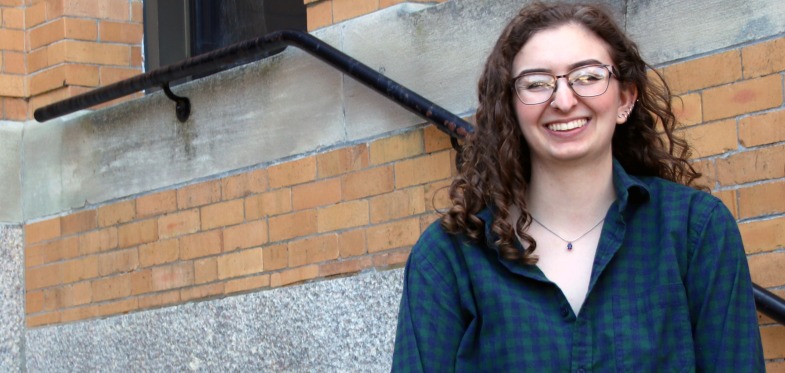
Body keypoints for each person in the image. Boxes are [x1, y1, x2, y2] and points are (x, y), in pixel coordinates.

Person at [392, 2, 764, 371]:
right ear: (511, 108)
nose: (564, 100)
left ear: (625, 98)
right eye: (536, 83)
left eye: (587, 76)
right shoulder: (448, 258)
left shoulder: (695, 233)